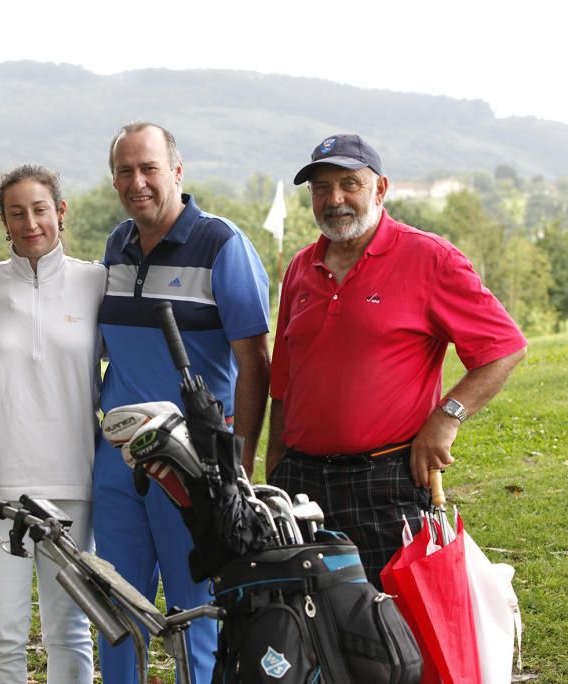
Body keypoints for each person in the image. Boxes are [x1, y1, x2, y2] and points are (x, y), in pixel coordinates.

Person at [266, 133, 527, 585]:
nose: (335, 199)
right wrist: (274, 470)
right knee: (308, 627)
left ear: (381, 189)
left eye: (350, 184)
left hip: (385, 481)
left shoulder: (430, 258)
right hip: (301, 480)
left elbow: (503, 346)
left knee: (393, 631)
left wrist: (447, 417)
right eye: (322, 188)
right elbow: (284, 381)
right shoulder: (301, 267)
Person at [94, 121, 271, 682]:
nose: (137, 181)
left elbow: (254, 362)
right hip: (117, 460)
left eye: (149, 168)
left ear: (176, 171)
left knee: (195, 611)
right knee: (117, 606)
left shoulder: (222, 243)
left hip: (191, 460)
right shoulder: (116, 245)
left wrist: (238, 463)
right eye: (125, 171)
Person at [0, 164, 105, 684]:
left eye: (40, 209)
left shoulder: (96, 282)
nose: (30, 222)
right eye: (16, 213)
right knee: (2, 633)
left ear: (60, 212)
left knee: (70, 631)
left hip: (74, 481)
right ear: (4, 221)